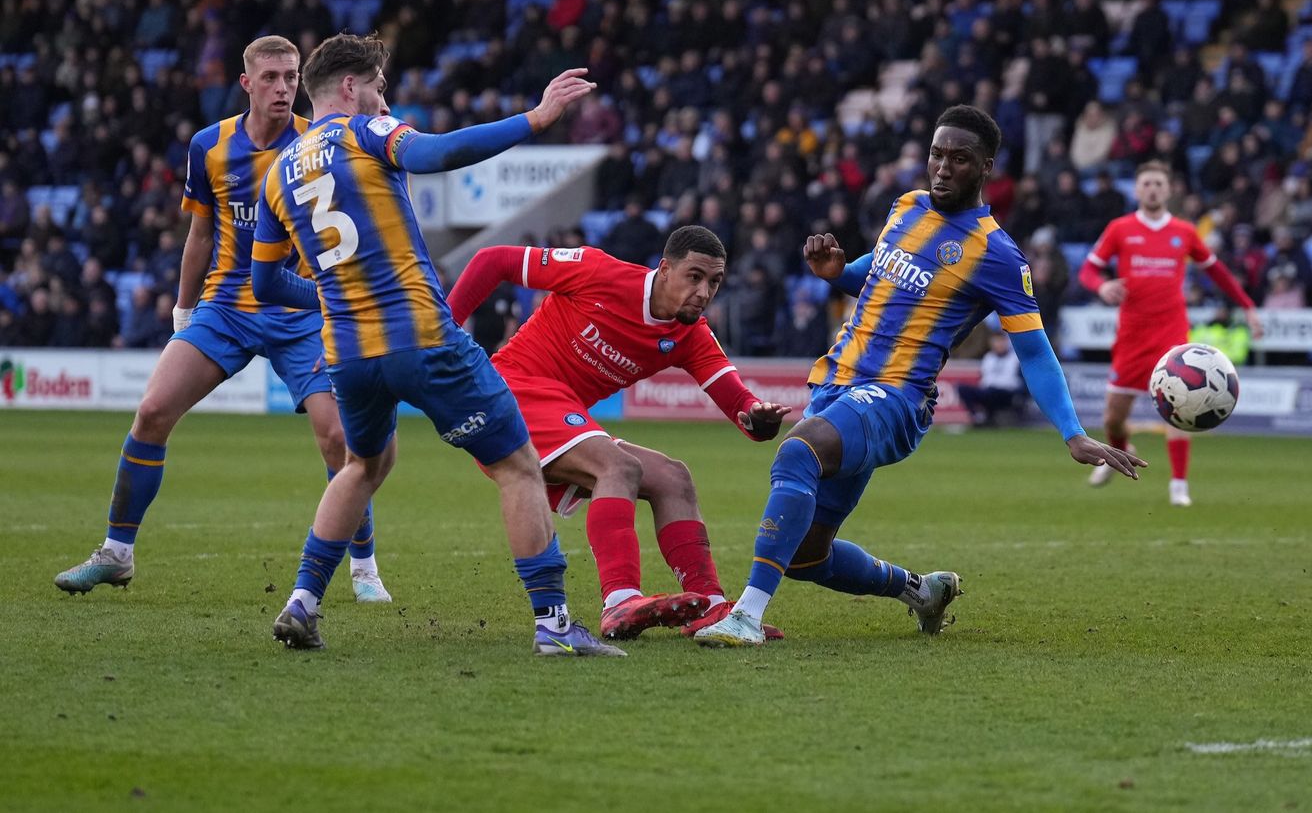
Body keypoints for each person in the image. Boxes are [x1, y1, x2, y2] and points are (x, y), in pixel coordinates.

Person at [694, 106, 1145, 648]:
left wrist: (1072, 432)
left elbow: (1035, 351)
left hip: (895, 397)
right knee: (806, 555)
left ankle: (745, 616)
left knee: (798, 453)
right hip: (837, 383)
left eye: (960, 159)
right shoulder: (906, 207)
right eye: (937, 154)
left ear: (986, 168)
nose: (943, 167)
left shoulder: (998, 254)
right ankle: (922, 590)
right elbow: (877, 275)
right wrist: (838, 272)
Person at [250, 33, 621, 656]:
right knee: (518, 466)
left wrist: (336, 298)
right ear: (350, 87)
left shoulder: (277, 174)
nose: (384, 101)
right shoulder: (363, 131)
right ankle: (555, 625)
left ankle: (303, 602)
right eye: (379, 88)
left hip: (349, 354)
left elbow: (264, 282)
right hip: (421, 337)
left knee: (362, 466)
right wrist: (536, 118)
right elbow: (438, 152)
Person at [53, 36, 392, 604]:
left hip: (299, 311)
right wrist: (184, 312)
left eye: (291, 77)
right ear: (246, 83)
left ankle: (364, 567)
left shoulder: (319, 141)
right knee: (152, 411)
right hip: (227, 308)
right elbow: (200, 235)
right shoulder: (209, 146)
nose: (283, 88)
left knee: (339, 438)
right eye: (271, 78)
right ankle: (116, 554)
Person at [445, 226, 791, 641]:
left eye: (714, 282)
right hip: (511, 393)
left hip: (561, 415)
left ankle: (711, 606)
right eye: (694, 276)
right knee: (618, 466)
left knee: (673, 477)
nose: (704, 292)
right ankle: (620, 600)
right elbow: (494, 260)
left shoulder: (690, 335)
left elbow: (740, 405)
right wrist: (443, 331)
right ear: (665, 269)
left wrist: (759, 418)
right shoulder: (598, 272)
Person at [1076, 161, 1262, 507]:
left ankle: (1179, 485)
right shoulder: (1120, 229)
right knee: (1113, 418)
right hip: (1132, 335)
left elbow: (1218, 272)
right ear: (1137, 189)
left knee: (1181, 405)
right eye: (1146, 183)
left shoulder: (1184, 231)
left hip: (1172, 336)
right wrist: (1101, 287)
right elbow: (1088, 269)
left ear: (1169, 189)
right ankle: (1120, 453)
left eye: (1158, 184)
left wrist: (1248, 306)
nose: (1152, 189)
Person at [956, 331, 1024, 426]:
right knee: (962, 388)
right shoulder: (988, 357)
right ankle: (977, 417)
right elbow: (984, 377)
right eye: (996, 341)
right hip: (988, 391)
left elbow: (1021, 382)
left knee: (993, 392)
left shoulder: (1015, 358)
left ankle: (989, 417)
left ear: (1006, 342)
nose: (998, 345)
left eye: (1001, 341)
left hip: (1007, 392)